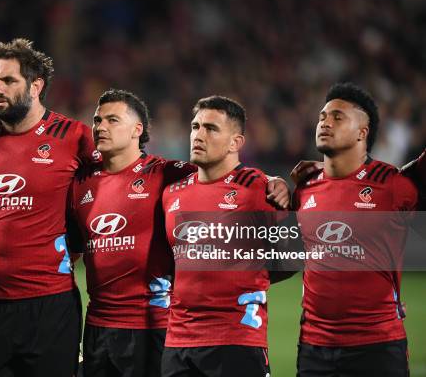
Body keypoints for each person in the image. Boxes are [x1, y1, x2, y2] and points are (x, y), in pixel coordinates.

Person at [0, 38, 95, 377]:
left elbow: (106, 191)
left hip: (49, 304)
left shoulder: (74, 136)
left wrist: (79, 242)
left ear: (36, 86)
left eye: (9, 81)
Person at [293, 82, 417, 376]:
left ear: (363, 132)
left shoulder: (393, 186)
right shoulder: (304, 188)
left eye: (338, 117)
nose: (325, 122)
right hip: (314, 348)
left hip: (378, 348)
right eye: (323, 116)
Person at [69, 89, 195, 377]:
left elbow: (222, 176)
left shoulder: (167, 174)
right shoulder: (80, 183)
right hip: (97, 329)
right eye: (97, 120)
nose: (100, 127)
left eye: (112, 120)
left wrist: (270, 181)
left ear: (138, 129)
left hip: (152, 327)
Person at [161, 96, 288, 377]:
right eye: (195, 126)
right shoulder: (172, 194)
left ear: (236, 143)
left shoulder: (258, 189)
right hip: (178, 343)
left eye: (211, 128)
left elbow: (294, 255)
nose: (199, 135)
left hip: (236, 340)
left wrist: (249, 274)